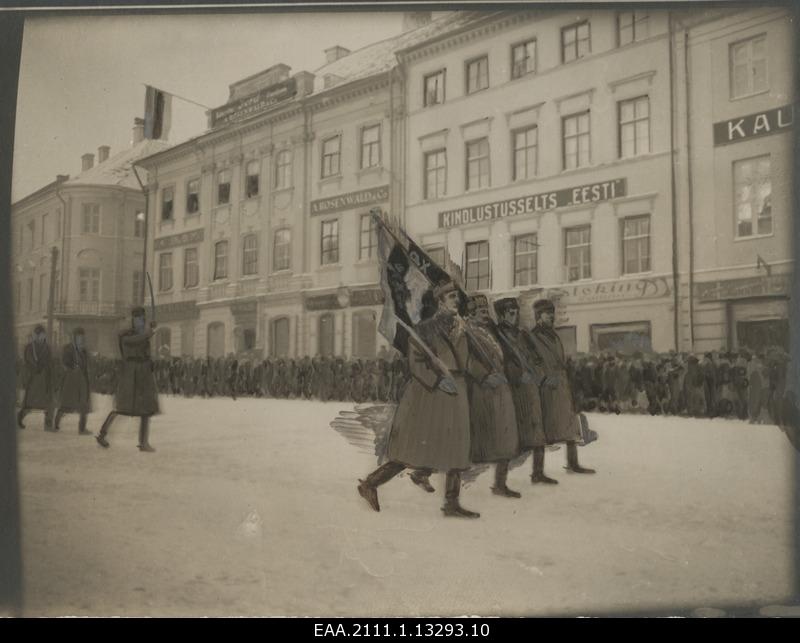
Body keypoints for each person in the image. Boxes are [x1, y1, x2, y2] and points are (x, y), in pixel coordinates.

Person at [357, 281, 489, 518]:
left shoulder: (462, 328)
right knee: (412, 451)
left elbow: (468, 362)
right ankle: (370, 484)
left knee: (457, 448)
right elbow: (416, 362)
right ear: (440, 302)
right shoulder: (425, 329)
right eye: (450, 296)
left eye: (456, 296)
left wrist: (486, 377)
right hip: (429, 396)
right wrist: (437, 381)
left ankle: (451, 503)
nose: (456, 300)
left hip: (456, 392)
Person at [527, 299, 595, 475]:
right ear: (538, 316)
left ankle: (573, 464)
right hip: (546, 388)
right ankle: (538, 472)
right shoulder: (531, 336)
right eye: (547, 313)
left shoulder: (554, 335)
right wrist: (542, 378)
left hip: (561, 386)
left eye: (552, 312)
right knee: (541, 430)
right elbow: (530, 362)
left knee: (571, 426)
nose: (551, 316)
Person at [465, 294, 521, 498]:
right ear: (471, 314)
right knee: (479, 441)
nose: (486, 314)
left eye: (486, 311)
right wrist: (485, 376)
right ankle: (459, 487)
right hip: (482, 391)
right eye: (481, 312)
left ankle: (500, 484)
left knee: (506, 438)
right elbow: (466, 359)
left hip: (501, 388)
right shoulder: (466, 332)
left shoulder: (491, 331)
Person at [493, 297, 551, 484]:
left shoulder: (523, 334)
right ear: (502, 315)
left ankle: (538, 473)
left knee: (537, 432)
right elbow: (499, 362)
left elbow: (536, 357)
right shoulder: (497, 335)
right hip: (512, 390)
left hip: (531, 388)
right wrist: (517, 376)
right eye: (511, 313)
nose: (515, 316)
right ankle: (500, 483)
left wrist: (539, 375)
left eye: (517, 312)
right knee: (510, 437)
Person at [96, 307, 159, 452]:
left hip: (143, 374)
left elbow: (145, 350)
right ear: (133, 320)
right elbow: (134, 341)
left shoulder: (143, 334)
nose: (140, 322)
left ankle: (143, 443)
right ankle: (102, 434)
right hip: (129, 375)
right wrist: (149, 332)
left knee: (146, 410)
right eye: (138, 319)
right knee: (121, 408)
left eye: (142, 319)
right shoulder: (125, 335)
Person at [54, 327, 92, 434]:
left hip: (82, 380)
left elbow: (86, 365)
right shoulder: (68, 348)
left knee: (84, 404)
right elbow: (65, 361)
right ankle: (56, 423)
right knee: (66, 403)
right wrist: (72, 366)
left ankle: (82, 428)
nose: (80, 339)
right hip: (71, 379)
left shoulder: (84, 350)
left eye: (82, 337)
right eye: (78, 337)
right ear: (74, 338)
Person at [18, 324, 55, 431]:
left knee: (49, 402)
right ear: (35, 336)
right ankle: (19, 418)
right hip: (34, 378)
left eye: (42, 335)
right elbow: (28, 360)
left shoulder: (47, 348)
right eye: (38, 335)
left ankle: (48, 425)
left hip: (44, 378)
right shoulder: (30, 347)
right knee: (28, 404)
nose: (40, 337)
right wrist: (36, 367)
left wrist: (49, 374)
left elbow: (50, 362)